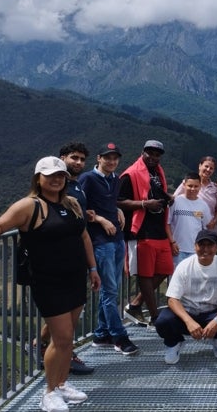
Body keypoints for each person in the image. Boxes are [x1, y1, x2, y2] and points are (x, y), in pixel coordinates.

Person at [0, 156, 100, 412]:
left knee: (68, 338)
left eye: (61, 175)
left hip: (76, 277)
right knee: (62, 337)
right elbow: (0, 223)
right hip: (48, 281)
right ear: (38, 178)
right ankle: (49, 392)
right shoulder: (29, 206)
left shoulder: (73, 203)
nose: (56, 179)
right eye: (50, 174)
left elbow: (84, 236)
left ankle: (62, 383)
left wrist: (93, 269)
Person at [36, 143, 95, 376]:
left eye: (82, 159)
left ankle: (42, 348)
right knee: (64, 320)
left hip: (76, 260)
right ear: (63, 158)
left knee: (70, 315)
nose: (79, 162)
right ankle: (60, 366)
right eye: (74, 158)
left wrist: (93, 267)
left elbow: (81, 226)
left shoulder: (76, 188)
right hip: (52, 266)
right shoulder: (40, 198)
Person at [79, 143, 140, 355]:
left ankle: (101, 334)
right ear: (98, 158)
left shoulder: (114, 179)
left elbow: (108, 201)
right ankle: (119, 337)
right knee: (110, 291)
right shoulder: (87, 178)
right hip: (100, 241)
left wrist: (116, 209)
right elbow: (78, 206)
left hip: (117, 239)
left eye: (115, 158)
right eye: (108, 158)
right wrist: (101, 219)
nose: (112, 162)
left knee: (111, 289)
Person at [155, 229, 217, 364]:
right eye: (201, 245)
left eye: (210, 245)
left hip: (212, 314)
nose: (205, 249)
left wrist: (216, 322)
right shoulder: (184, 266)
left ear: (216, 247)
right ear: (195, 246)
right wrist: (188, 321)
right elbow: (172, 299)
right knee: (162, 321)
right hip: (188, 312)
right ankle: (174, 342)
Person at [118, 140, 175, 327]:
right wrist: (144, 204)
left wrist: (167, 197)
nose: (153, 157)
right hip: (141, 229)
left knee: (166, 269)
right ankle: (155, 316)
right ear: (142, 152)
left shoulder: (157, 172)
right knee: (146, 274)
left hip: (159, 229)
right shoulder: (131, 174)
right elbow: (118, 201)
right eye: (150, 153)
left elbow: (155, 191)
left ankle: (135, 304)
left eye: (157, 154)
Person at [168, 172, 211, 266]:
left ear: (200, 186)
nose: (193, 189)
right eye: (190, 186)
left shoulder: (203, 205)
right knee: (176, 279)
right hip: (177, 250)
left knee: (193, 279)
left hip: (195, 251)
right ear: (184, 185)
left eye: (196, 186)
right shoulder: (175, 202)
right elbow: (167, 223)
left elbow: (206, 228)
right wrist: (172, 242)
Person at [174, 156, 217, 230]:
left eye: (211, 168)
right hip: (190, 226)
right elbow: (174, 199)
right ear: (200, 166)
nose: (208, 169)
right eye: (206, 166)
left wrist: (214, 221)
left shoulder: (215, 188)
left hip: (209, 227)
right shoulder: (188, 183)